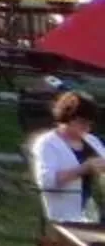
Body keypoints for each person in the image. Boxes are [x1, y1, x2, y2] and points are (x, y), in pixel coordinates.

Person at [33, 89, 105, 224]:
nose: (87, 128)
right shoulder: (47, 143)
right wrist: (83, 169)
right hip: (66, 218)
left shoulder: (92, 141)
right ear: (67, 117)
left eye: (90, 124)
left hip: (95, 213)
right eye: (82, 122)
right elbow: (46, 182)